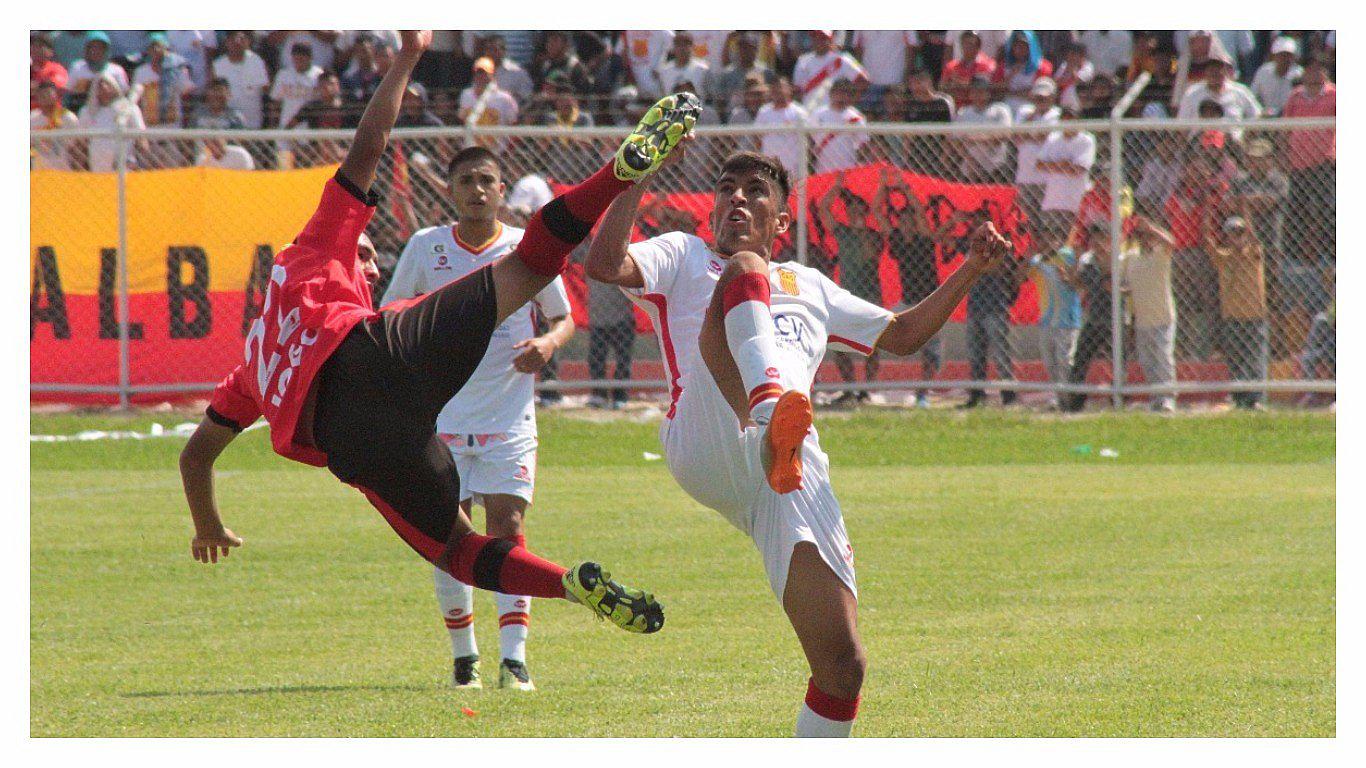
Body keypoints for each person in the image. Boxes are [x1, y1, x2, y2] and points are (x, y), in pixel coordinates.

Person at [177, 33, 701, 639]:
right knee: (530, 264)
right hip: (369, 355)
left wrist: (206, 524)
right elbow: (369, 146)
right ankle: (615, 173)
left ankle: (568, 585)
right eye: (364, 253)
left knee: (457, 551)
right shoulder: (315, 247)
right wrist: (407, 57)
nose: (372, 265)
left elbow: (196, 455)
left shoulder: (251, 370)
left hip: (354, 441)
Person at [586, 147, 1012, 738]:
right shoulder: (683, 254)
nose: (737, 197)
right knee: (743, 270)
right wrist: (638, 174)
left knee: (843, 666)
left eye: (755, 191)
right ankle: (767, 416)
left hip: (787, 467)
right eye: (726, 187)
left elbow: (903, 334)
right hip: (711, 433)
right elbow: (605, 264)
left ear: (783, 220)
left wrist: (970, 269)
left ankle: (776, 431)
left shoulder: (809, 285)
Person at [381, 146, 575, 691]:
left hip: (509, 417)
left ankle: (514, 659)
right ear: (449, 190)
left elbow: (563, 317)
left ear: (501, 189)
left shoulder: (524, 248)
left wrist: (547, 343)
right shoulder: (427, 247)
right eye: (466, 180)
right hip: (439, 419)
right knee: (450, 537)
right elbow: (390, 313)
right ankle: (464, 658)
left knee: (507, 531)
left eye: (486, 180)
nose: (477, 190)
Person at [937, 209, 1022, 408]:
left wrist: (975, 265)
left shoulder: (999, 244)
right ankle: (977, 394)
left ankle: (1008, 395)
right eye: (975, 223)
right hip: (975, 306)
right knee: (975, 352)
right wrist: (953, 222)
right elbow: (940, 238)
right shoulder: (970, 244)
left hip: (995, 306)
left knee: (1000, 353)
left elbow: (995, 268)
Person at [874, 167, 942, 408]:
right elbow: (877, 213)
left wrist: (904, 188)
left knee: (931, 350)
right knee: (877, 330)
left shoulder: (923, 238)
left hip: (930, 302)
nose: (905, 225)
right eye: (902, 221)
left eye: (908, 221)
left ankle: (923, 393)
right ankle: (869, 387)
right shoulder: (897, 239)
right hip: (907, 301)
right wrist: (883, 186)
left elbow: (921, 213)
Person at [818, 176, 883, 406]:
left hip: (870, 296)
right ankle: (850, 388)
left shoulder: (873, 235)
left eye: (859, 210)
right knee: (838, 345)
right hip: (846, 295)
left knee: (872, 346)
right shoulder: (842, 232)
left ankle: (867, 390)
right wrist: (836, 187)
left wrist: (862, 230)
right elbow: (823, 210)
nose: (854, 214)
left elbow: (870, 255)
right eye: (851, 210)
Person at [1205, 215, 1268, 410]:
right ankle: (1239, 398)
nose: (1237, 238)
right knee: (1236, 359)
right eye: (1233, 234)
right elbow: (1208, 242)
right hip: (1233, 317)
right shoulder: (1224, 257)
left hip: (1254, 316)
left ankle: (1256, 398)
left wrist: (1245, 211)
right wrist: (1207, 213)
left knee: (1255, 358)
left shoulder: (1254, 253)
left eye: (1241, 233)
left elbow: (1255, 241)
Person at [1122, 216, 1178, 412]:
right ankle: (1156, 398)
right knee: (1147, 361)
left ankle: (1168, 398)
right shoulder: (1131, 258)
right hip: (1142, 319)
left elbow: (1171, 242)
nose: (1145, 239)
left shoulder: (1160, 254)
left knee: (1163, 357)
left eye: (1148, 236)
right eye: (1141, 235)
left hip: (1163, 317)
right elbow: (1124, 283)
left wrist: (1152, 229)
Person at [1025, 225, 1081, 410]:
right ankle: (1058, 397)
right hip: (1046, 320)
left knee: (1065, 361)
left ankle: (1067, 398)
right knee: (1050, 362)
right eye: (1044, 239)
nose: (1048, 243)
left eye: (1052, 238)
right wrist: (1031, 256)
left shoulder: (1067, 256)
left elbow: (1078, 280)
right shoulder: (1038, 262)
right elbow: (1022, 276)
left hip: (1067, 320)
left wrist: (1068, 275)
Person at [1061, 222, 1115, 413]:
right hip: (1094, 317)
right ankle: (1075, 400)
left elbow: (1115, 282)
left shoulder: (1117, 257)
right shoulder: (1087, 260)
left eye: (1101, 238)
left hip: (1114, 319)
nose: (1097, 242)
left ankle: (1118, 398)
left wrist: (1105, 258)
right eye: (1094, 238)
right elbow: (1077, 284)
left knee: (1118, 359)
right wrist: (1076, 260)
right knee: (1080, 357)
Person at [952, 75, 1012, 183]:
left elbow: (1004, 135)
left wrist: (974, 139)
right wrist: (969, 160)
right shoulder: (964, 112)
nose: (978, 94)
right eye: (974, 91)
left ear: (989, 92)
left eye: (982, 90)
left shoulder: (1000, 109)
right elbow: (956, 140)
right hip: (970, 168)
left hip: (996, 167)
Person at [792, 30, 868, 112]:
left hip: (835, 112)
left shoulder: (842, 59)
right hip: (810, 111)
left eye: (822, 37)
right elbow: (797, 89)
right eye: (814, 37)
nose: (818, 40)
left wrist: (849, 102)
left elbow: (863, 81)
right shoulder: (803, 60)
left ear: (830, 39)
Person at [211, 31, 271, 129]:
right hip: (226, 124)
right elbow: (213, 93)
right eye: (233, 39)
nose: (237, 42)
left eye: (241, 39)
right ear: (227, 42)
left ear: (248, 42)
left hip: (252, 123)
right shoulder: (218, 65)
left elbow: (265, 89)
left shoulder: (256, 61)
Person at [810, 79, 869, 175]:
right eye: (838, 92)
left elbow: (863, 143)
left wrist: (858, 164)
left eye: (845, 93)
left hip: (847, 168)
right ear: (831, 93)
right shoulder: (818, 114)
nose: (841, 96)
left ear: (850, 96)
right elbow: (810, 139)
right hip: (822, 168)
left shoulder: (856, 117)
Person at [754, 78, 809, 179]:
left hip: (794, 168)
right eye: (775, 88)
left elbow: (807, 140)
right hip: (770, 167)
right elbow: (757, 139)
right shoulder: (764, 112)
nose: (779, 91)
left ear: (790, 90)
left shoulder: (799, 112)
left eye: (782, 87)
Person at [30, 81, 80, 170]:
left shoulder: (67, 117)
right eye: (42, 95)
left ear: (56, 95)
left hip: (63, 170)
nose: (45, 97)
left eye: (48, 94)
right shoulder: (32, 118)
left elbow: (77, 146)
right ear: (37, 97)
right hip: (39, 171)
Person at [1250, 37, 1303, 117]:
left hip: (1290, 118)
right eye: (1282, 55)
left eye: (1289, 55)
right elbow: (1253, 97)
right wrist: (1261, 111)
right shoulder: (1263, 72)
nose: (1285, 59)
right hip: (1266, 118)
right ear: (1274, 56)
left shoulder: (1299, 74)